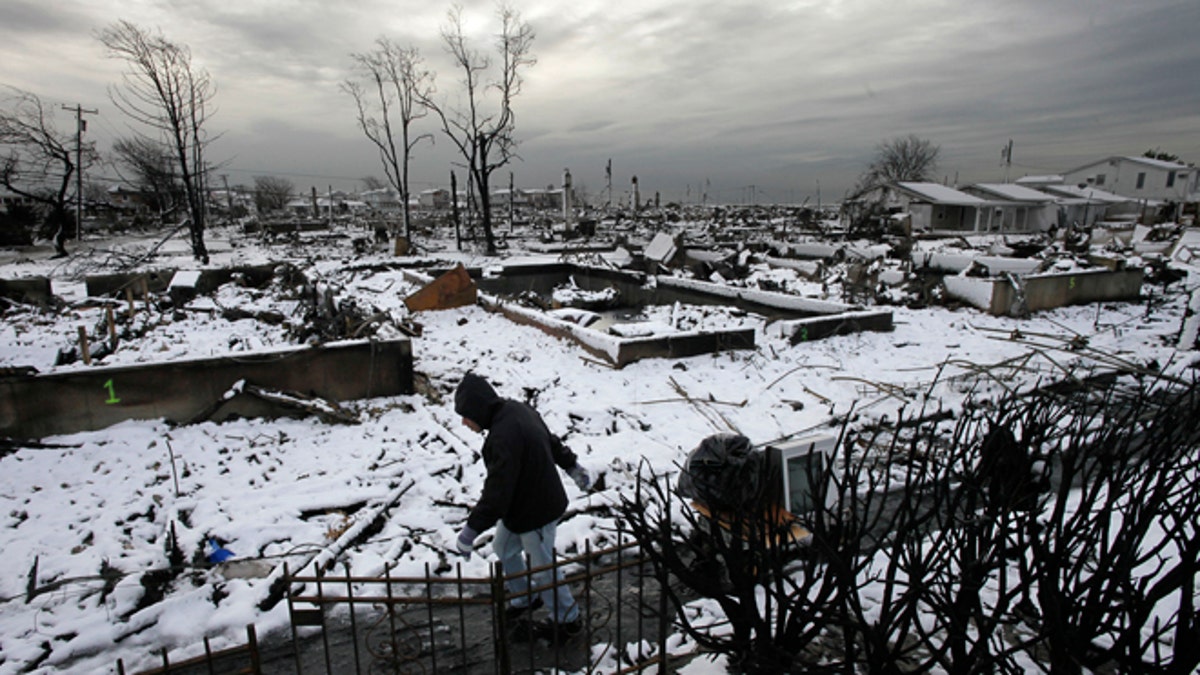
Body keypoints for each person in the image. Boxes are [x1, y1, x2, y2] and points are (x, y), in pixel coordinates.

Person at [453, 371, 591, 641]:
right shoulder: (517, 409)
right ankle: (524, 597)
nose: (463, 422)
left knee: (543, 568)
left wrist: (471, 529)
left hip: (537, 508)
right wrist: (571, 464)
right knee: (503, 548)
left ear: (479, 410)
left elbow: (496, 493)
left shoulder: (503, 437)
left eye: (466, 415)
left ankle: (568, 619)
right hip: (522, 504)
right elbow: (550, 441)